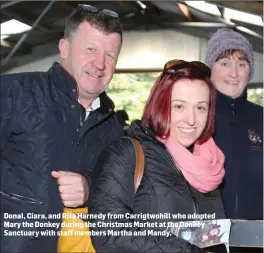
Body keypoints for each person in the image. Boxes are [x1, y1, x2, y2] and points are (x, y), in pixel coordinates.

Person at [0, 4, 123, 253]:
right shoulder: (13, 93)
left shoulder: (113, 126)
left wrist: (89, 187)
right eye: (91, 49)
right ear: (64, 48)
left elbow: (119, 196)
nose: (100, 63)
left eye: (110, 55)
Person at [88, 60, 226, 252]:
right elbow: (110, 235)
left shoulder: (208, 164)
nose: (191, 119)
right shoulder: (126, 154)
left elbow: (212, 238)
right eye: (179, 106)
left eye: (200, 108)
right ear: (159, 105)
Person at [205, 28, 263, 220]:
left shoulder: (261, 117)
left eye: (242, 64)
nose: (234, 73)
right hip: (206, 240)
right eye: (225, 63)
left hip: (257, 239)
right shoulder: (196, 117)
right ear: (210, 68)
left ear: (250, 71)